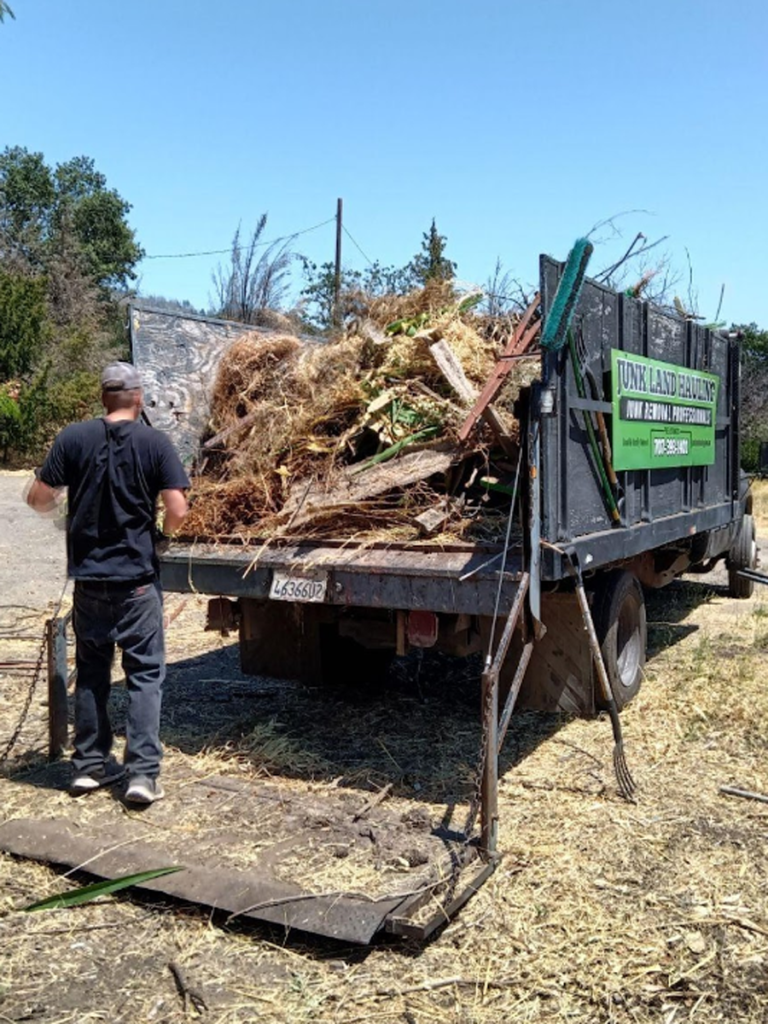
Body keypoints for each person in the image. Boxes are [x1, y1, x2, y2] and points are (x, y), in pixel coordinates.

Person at [26, 361, 190, 803]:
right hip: (137, 583)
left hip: (89, 583)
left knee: (93, 673)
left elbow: (39, 499)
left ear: (103, 398)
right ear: (138, 398)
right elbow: (177, 508)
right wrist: (162, 538)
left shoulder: (72, 438)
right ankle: (141, 776)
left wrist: (65, 512)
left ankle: (88, 767)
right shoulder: (155, 443)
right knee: (144, 675)